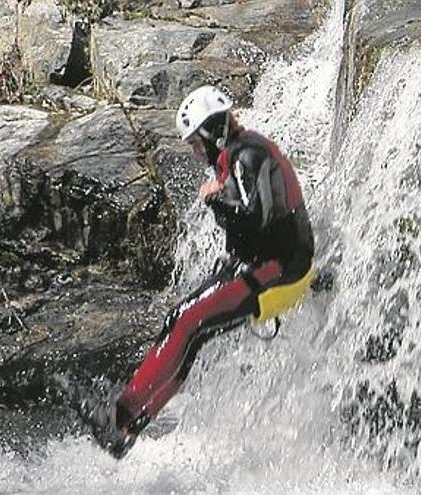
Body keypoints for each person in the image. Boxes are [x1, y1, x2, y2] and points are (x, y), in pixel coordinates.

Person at [84, 85, 316, 459]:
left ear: (212, 132)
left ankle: (121, 416)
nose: (194, 152)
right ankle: (128, 426)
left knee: (183, 321)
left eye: (195, 143)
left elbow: (259, 219)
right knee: (190, 333)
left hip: (279, 267)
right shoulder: (235, 156)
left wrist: (215, 199)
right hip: (264, 261)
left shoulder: (248, 155)